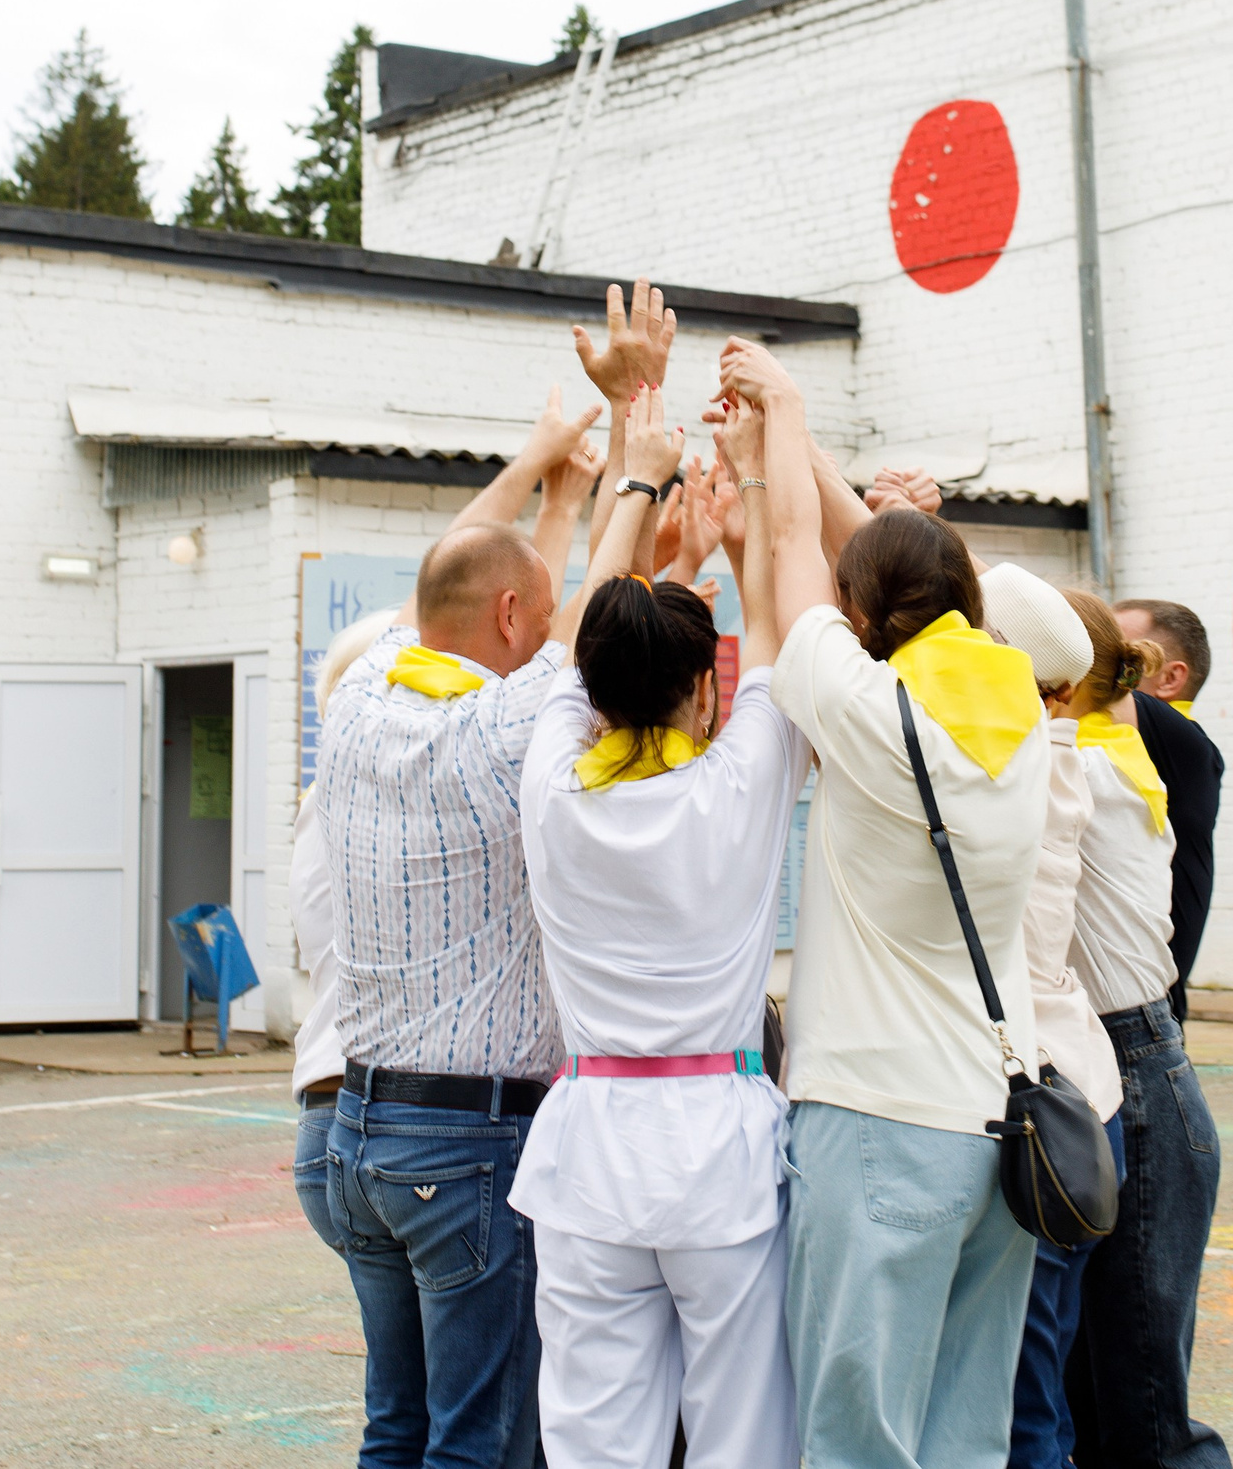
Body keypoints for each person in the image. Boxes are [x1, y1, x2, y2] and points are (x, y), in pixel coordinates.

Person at [312, 285, 660, 1469]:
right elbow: (597, 604)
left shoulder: (357, 704)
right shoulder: (507, 733)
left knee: (394, 1429)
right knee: (482, 1444)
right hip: (468, 1147)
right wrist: (629, 439)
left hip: (360, 1132)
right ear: (517, 616)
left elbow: (461, 582)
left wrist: (534, 471)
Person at [717, 337, 1049, 1469]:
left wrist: (787, 414)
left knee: (857, 1440)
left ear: (868, 621)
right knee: (962, 1440)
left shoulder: (871, 719)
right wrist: (828, 467)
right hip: (989, 1128)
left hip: (874, 1125)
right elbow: (887, 581)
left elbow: (800, 559)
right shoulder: (1019, 714)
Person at [511, 385, 815, 1469]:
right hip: (716, 1153)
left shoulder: (551, 784)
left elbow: (575, 625)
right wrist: (744, 507)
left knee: (594, 1439)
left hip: (589, 1147)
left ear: (589, 684)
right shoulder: (739, 783)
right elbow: (780, 635)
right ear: (704, 690)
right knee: (743, 1434)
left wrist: (636, 482)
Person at [1058, 590, 1231, 1469]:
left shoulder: (1170, 745)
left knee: (1145, 1404)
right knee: (1090, 1391)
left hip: (1142, 1064)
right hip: (1094, 1069)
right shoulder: (1072, 752)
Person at [974, 565, 1125, 1469]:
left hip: (1042, 1108)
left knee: (1025, 1409)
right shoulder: (1059, 755)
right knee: (1044, 1396)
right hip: (1082, 1097)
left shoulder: (1011, 769)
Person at [291, 609, 398, 1312]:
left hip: (323, 1113)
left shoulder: (317, 804)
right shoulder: (406, 806)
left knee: (399, 1396)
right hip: (391, 1110)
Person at [1111, 600, 1225, 1023]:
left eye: (1121, 656)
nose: (1097, 662)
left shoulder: (1185, 744)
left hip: (1146, 1021)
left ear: (1171, 678)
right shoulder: (1105, 741)